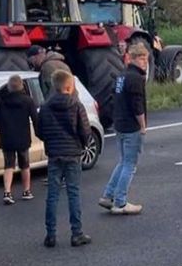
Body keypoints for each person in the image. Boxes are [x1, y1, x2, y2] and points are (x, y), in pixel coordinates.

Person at [35, 70, 91, 248]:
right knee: (73, 193)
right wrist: (82, 144)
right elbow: (85, 130)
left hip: (54, 154)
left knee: (52, 195)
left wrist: (50, 141)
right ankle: (77, 233)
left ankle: (50, 234)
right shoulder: (76, 105)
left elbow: (40, 130)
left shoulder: (45, 106)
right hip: (73, 153)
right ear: (69, 86)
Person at [99, 43, 148, 215]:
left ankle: (108, 195)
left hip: (120, 123)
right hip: (130, 126)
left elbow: (114, 99)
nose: (144, 62)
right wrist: (142, 125)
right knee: (130, 164)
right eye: (141, 58)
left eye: (145, 58)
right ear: (132, 59)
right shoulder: (136, 78)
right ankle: (120, 202)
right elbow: (137, 105)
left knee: (122, 162)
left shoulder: (121, 76)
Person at [0, 75, 38, 205]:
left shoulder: (2, 101)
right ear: (21, 85)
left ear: (9, 87)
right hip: (23, 137)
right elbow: (35, 118)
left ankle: (7, 192)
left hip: (7, 137)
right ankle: (26, 191)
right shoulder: (28, 101)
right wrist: (40, 133)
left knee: (8, 165)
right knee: (25, 165)